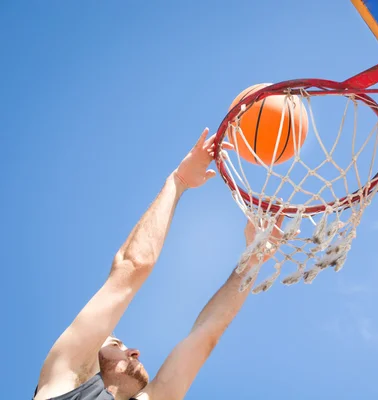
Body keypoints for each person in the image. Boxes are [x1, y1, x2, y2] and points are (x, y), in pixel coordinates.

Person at [33, 128, 284, 400]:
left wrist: (253, 260)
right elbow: (133, 269)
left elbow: (204, 333)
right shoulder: (63, 379)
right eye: (115, 344)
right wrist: (178, 180)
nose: (134, 351)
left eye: (119, 344)